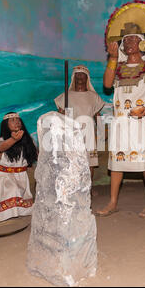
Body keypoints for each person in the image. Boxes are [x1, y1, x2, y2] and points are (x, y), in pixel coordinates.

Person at [95, 23, 145, 218]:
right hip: (120, 123)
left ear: (143, 44)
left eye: (133, 38)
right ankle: (113, 202)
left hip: (140, 124)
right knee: (116, 163)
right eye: (125, 40)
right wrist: (113, 57)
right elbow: (107, 84)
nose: (128, 42)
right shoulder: (116, 67)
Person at [54, 65, 105, 194]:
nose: (80, 77)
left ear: (87, 77)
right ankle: (73, 188)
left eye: (82, 74)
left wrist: (102, 134)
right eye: (77, 74)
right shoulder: (66, 96)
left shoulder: (93, 96)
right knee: (71, 162)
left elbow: (97, 116)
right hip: (71, 133)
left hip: (88, 132)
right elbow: (59, 115)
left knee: (89, 162)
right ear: (73, 77)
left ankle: (87, 188)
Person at [0, 112, 38, 221]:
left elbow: (36, 155)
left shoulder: (29, 140)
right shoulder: (1, 140)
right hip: (6, 177)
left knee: (25, 205)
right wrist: (14, 140)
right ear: (6, 125)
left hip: (22, 176)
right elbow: (1, 147)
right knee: (12, 191)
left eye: (18, 120)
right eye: (12, 120)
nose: (17, 122)